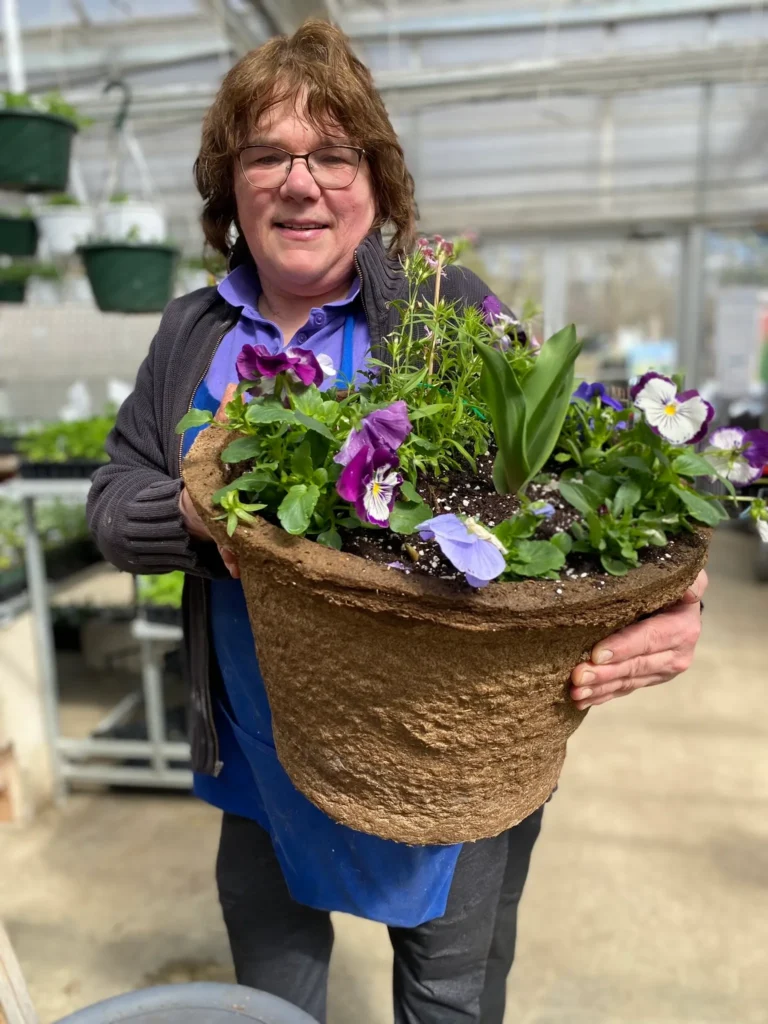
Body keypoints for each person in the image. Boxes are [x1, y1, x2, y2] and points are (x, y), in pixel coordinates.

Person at [87, 20, 708, 1024]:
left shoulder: (445, 309)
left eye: (333, 155)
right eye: (268, 155)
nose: (302, 182)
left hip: (443, 753)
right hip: (257, 747)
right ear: (229, 186)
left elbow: (577, 489)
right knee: (272, 991)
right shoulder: (190, 331)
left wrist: (673, 595)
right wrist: (202, 518)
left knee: (451, 995)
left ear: (376, 183)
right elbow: (114, 499)